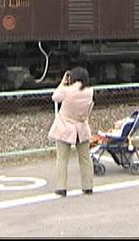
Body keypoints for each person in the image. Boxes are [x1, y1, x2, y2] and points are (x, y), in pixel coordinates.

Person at [48, 67, 94, 197]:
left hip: (65, 128)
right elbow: (89, 110)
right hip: (82, 128)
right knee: (85, 158)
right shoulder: (90, 92)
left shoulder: (67, 91)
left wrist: (63, 82)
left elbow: (55, 97)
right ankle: (88, 186)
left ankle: (61, 188)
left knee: (62, 159)